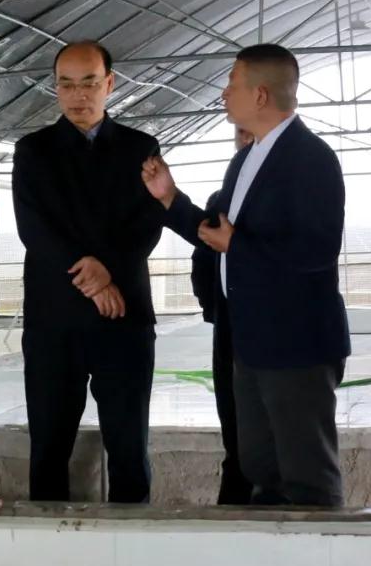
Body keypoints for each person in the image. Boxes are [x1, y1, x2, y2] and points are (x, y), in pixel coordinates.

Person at [143, 43, 349, 508]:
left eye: (232, 83)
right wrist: (171, 199)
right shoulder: (246, 159)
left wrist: (239, 246)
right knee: (260, 470)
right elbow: (216, 233)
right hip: (249, 340)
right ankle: (269, 552)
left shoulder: (311, 158)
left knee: (307, 477)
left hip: (296, 345)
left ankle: (317, 553)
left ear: (260, 95)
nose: (223, 93)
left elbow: (316, 250)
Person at [13, 40, 166, 503]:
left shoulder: (140, 148)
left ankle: (133, 539)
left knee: (129, 450)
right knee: (48, 450)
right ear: (55, 87)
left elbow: (148, 223)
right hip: (54, 324)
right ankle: (49, 545)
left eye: (89, 83)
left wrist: (108, 270)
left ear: (109, 84)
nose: (78, 95)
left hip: (124, 320)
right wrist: (93, 277)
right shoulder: (33, 151)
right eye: (66, 85)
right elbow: (34, 229)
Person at [190, 124, 254, 505]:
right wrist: (214, 309)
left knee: (275, 442)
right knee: (235, 433)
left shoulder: (292, 184)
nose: (245, 140)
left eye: (251, 133)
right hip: (229, 334)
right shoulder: (221, 199)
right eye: (240, 134)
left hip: (274, 336)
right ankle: (234, 513)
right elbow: (201, 258)